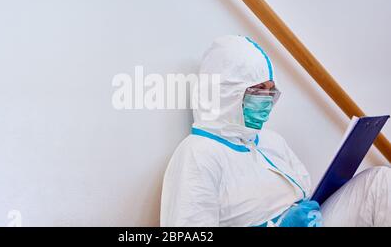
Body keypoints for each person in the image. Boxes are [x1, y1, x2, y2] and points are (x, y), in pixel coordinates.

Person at [160, 35, 391, 227]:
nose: (267, 100)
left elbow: (305, 190)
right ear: (224, 91)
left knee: (380, 182)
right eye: (259, 89)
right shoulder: (198, 154)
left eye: (271, 90)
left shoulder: (270, 141)